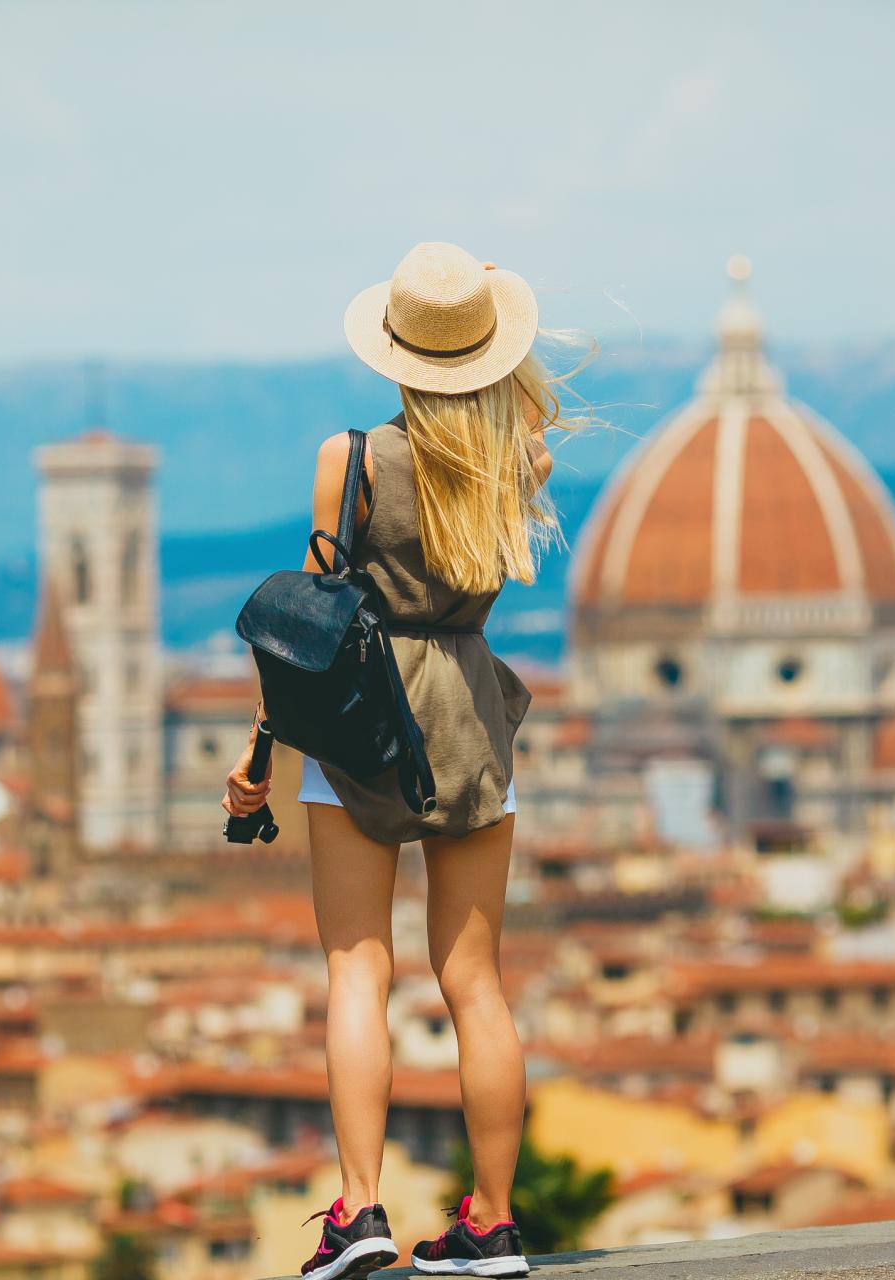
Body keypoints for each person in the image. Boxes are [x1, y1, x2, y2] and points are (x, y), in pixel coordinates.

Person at [223, 242, 582, 1279]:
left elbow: (309, 619)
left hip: (361, 722)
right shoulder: (521, 460)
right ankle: (494, 1223)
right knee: (476, 980)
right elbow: (528, 419)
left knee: (357, 965)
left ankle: (360, 1210)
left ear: (394, 348)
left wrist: (261, 753)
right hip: (471, 712)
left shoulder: (352, 459)